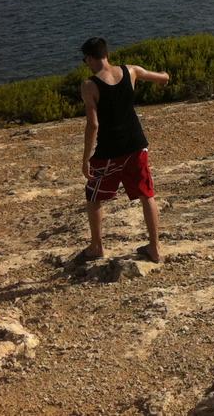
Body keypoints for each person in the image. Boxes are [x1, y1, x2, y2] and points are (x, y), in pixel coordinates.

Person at [76, 37, 170, 263]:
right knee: (146, 194)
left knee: (94, 196)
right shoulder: (131, 71)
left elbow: (93, 125)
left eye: (85, 59)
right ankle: (155, 247)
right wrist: (165, 77)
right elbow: (162, 78)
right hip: (137, 145)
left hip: (109, 151)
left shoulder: (89, 86)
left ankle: (97, 246)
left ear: (89, 58)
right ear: (106, 54)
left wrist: (86, 157)